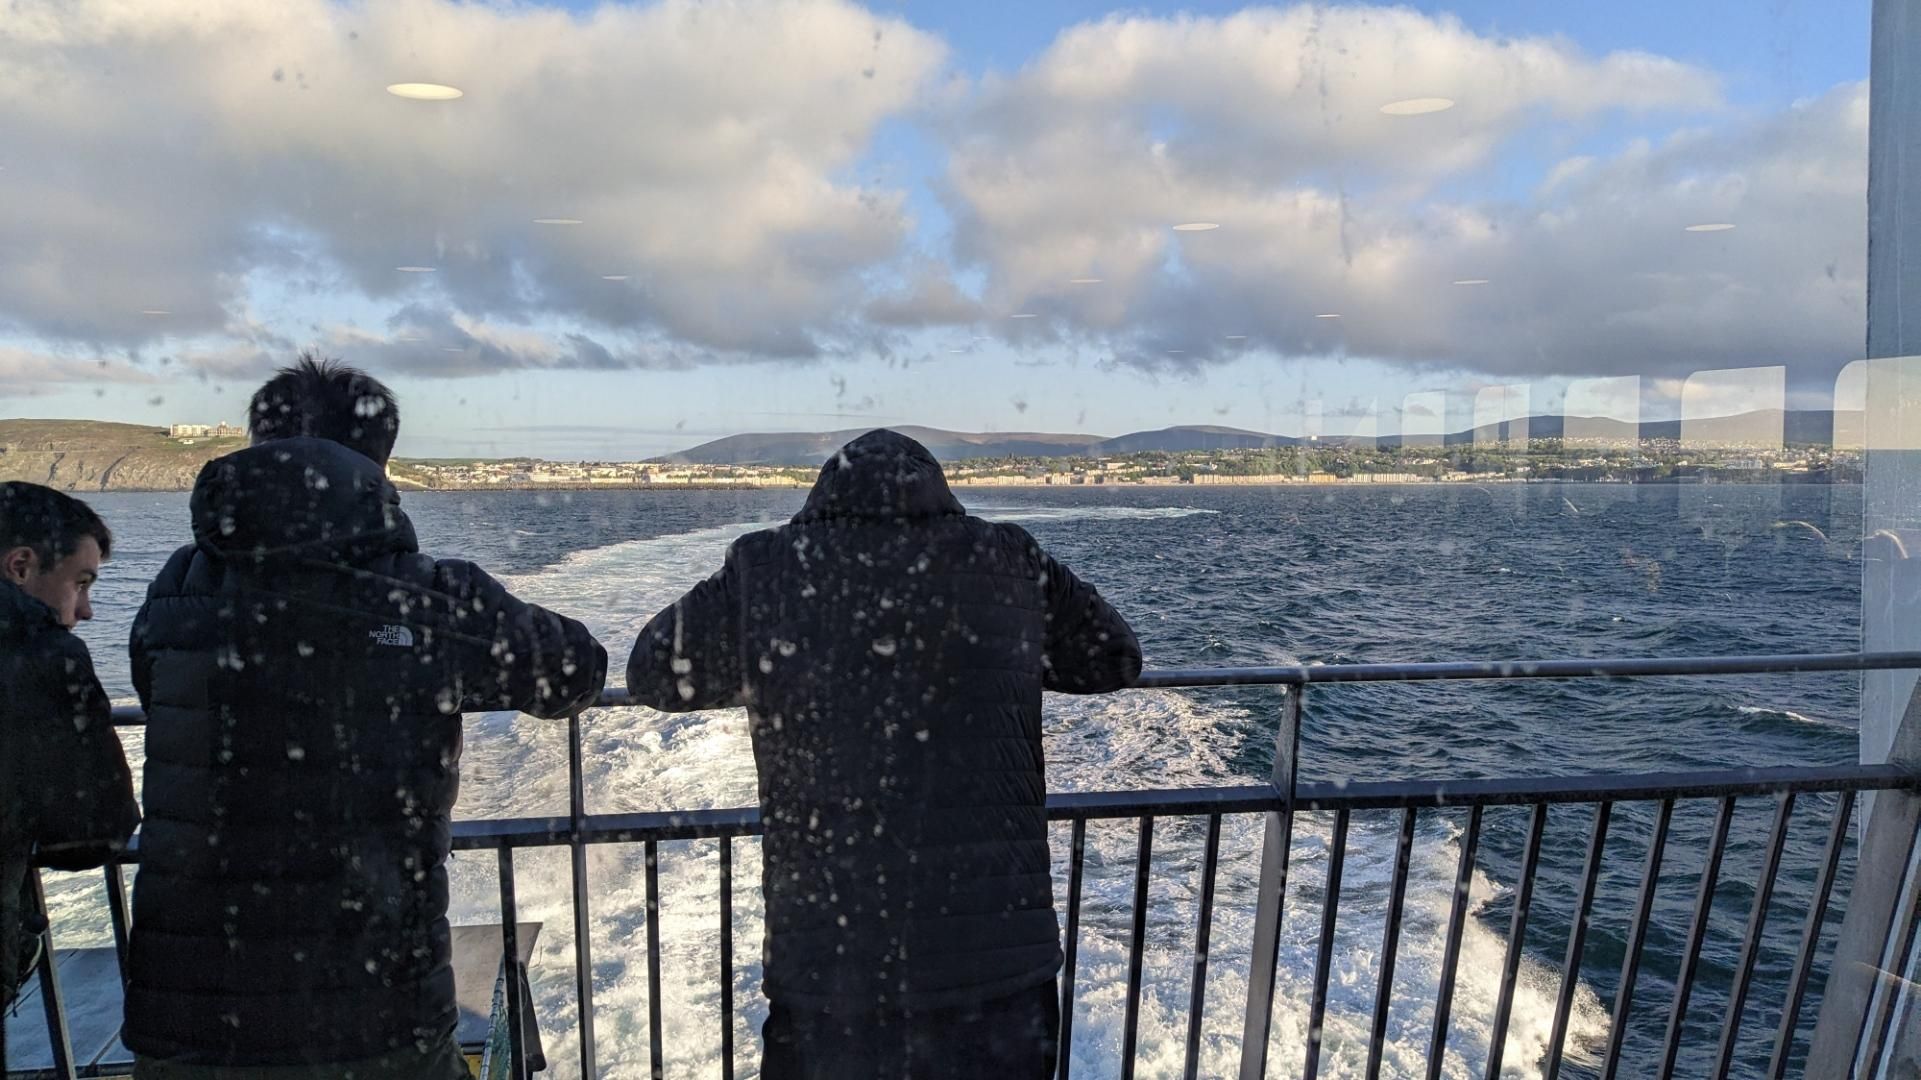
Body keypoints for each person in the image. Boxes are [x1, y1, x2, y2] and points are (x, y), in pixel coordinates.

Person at [123, 355, 608, 1079]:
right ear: (379, 462)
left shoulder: (178, 587)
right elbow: (575, 671)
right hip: (371, 1007)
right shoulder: (428, 595)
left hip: (191, 1015)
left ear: (258, 444)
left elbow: (153, 684)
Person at [628, 428, 1142, 1079]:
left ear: (821, 494)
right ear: (939, 490)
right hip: (998, 972)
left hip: (835, 971)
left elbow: (652, 671)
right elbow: (1112, 656)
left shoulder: (768, 565)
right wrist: (993, 656)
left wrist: (772, 668)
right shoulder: (1008, 555)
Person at [0, 483, 139, 1071]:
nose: (84, 611)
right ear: (22, 565)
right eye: (81, 584)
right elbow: (95, 828)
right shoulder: (40, 657)